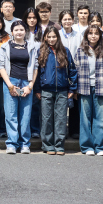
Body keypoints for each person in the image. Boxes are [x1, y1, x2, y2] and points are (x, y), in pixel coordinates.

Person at [0, 20, 39, 154]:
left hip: (26, 82)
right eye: (16, 30)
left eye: (21, 30)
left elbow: (35, 67)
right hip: (11, 81)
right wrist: (10, 85)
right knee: (11, 114)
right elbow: (1, 66)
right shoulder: (5, 47)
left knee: (25, 115)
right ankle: (12, 143)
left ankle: (24, 144)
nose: (19, 32)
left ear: (25, 31)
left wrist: (30, 85)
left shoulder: (31, 47)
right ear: (12, 32)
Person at [35, 25, 77, 155]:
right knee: (46, 118)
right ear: (45, 37)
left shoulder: (65, 51)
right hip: (46, 90)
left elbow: (72, 71)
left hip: (62, 90)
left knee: (61, 118)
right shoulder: (41, 51)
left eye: (54, 37)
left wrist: (72, 88)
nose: (51, 39)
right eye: (49, 37)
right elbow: (37, 72)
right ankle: (47, 145)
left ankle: (59, 145)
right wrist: (37, 89)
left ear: (57, 37)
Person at [73, 26, 103, 156]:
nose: (93, 36)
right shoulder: (80, 51)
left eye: (96, 33)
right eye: (90, 33)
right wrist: (74, 89)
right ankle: (87, 147)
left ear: (100, 36)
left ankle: (100, 146)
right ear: (86, 36)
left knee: (101, 119)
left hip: (101, 87)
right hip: (84, 87)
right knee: (85, 119)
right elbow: (75, 71)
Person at [59, 10, 81, 139]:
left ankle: (73, 130)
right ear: (61, 21)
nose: (67, 21)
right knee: (61, 101)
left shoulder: (79, 35)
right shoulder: (57, 35)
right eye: (64, 19)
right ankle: (61, 130)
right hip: (61, 71)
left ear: (73, 20)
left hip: (75, 71)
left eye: (69, 19)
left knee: (74, 99)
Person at [22, 7, 42, 138]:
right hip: (22, 69)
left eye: (34, 17)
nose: (32, 20)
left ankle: (35, 129)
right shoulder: (21, 31)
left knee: (35, 101)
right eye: (29, 18)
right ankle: (23, 128)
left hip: (37, 70)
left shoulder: (41, 33)